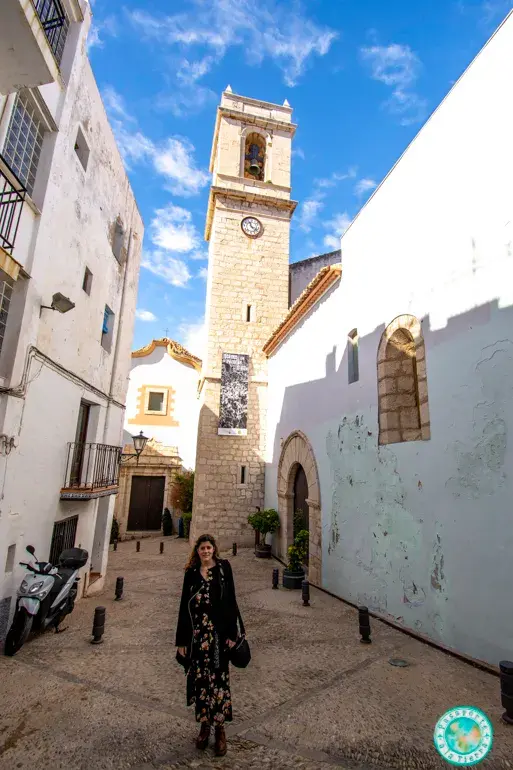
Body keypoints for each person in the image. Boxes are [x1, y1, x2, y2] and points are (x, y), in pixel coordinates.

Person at [175, 533, 241, 756]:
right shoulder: (191, 573)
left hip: (219, 638)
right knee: (201, 680)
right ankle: (205, 726)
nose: (206, 551)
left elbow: (231, 601)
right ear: (197, 551)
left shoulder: (224, 568)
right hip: (198, 637)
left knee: (220, 680)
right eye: (202, 548)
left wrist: (233, 633)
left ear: (214, 549)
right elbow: (184, 607)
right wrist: (181, 641)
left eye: (209, 548)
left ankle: (220, 730)